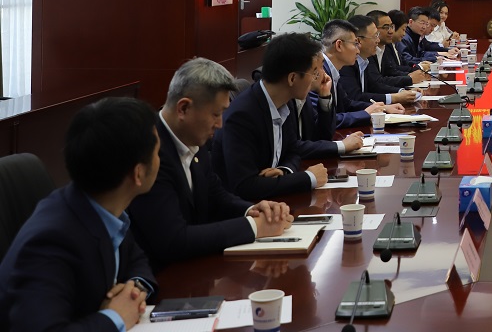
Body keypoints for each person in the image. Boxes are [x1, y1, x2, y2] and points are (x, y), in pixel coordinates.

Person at [0, 97, 159, 332]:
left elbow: (135, 258)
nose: (160, 160)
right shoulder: (51, 242)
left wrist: (134, 290)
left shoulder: (103, 207)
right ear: (138, 173)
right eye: (157, 153)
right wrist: (115, 317)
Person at [128, 58, 293, 271]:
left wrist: (253, 210)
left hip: (197, 269)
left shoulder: (195, 139)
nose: (220, 124)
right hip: (161, 277)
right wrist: (253, 227)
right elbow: (173, 240)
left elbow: (216, 196)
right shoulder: (149, 153)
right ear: (183, 108)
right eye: (216, 114)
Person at [213, 33, 330, 199]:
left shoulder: (285, 101)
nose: (317, 79)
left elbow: (293, 151)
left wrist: (284, 171)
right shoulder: (242, 116)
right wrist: (308, 178)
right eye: (314, 73)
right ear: (292, 78)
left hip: (273, 200)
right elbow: (245, 186)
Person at [339, 14, 421, 106]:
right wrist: (393, 98)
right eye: (375, 36)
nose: (378, 40)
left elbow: (374, 85)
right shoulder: (346, 64)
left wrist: (402, 91)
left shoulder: (364, 60)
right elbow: (355, 97)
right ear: (358, 41)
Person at [370, 9, 429, 88]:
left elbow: (391, 71)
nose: (391, 31)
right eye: (386, 27)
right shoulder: (370, 52)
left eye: (391, 27)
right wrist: (410, 78)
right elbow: (377, 82)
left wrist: (414, 74)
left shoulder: (383, 48)